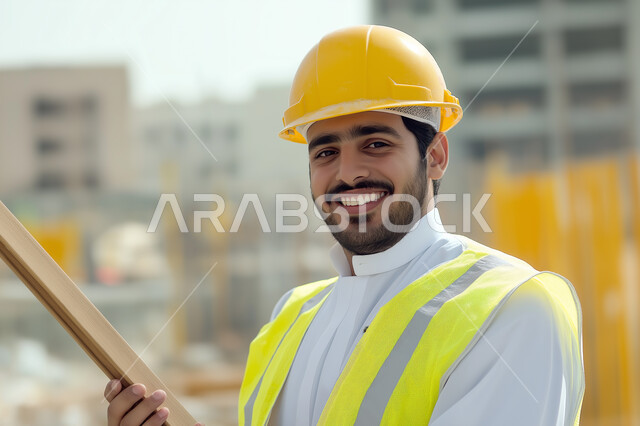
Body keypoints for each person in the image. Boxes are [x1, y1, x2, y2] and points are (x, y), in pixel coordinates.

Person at [105, 25, 584, 425]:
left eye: (375, 143)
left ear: (434, 156)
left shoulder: (512, 311)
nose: (348, 172)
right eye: (326, 152)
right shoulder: (289, 319)